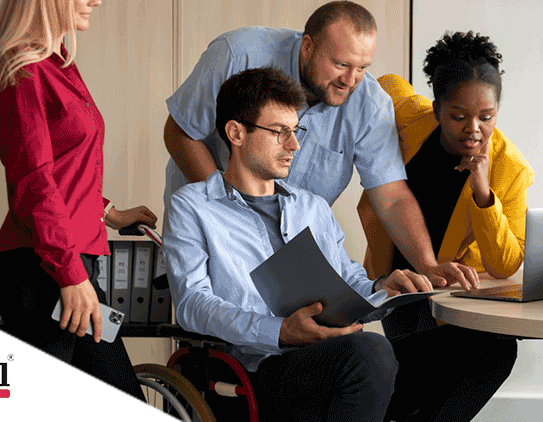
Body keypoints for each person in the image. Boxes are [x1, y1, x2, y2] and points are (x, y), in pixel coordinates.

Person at [164, 67, 434, 421]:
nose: (294, 145)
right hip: (253, 369)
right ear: (236, 133)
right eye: (280, 133)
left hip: (328, 356)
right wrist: (281, 332)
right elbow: (192, 304)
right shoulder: (192, 206)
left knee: (463, 348)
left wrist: (384, 290)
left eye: (295, 131)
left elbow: (349, 281)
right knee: (370, 353)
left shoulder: (311, 207)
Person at [163, 0, 475, 290]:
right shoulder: (237, 54)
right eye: (341, 64)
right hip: (211, 216)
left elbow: (391, 197)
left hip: (289, 244)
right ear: (308, 47)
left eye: (363, 67)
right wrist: (232, 216)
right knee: (219, 324)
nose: (351, 80)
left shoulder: (370, 104)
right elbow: (180, 132)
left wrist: (428, 265)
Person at [0, 0, 157, 400]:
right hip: (43, 269)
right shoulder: (22, 70)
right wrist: (71, 274)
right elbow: (34, 182)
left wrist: (110, 213)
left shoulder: (58, 64)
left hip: (66, 263)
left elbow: (63, 172)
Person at [358, 31, 533, 421]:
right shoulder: (409, 118)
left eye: (486, 117)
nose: (474, 128)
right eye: (458, 116)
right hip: (397, 282)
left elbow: (505, 263)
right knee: (411, 388)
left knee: (495, 353)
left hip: (451, 294)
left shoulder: (510, 168)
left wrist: (483, 193)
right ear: (436, 110)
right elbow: (382, 84)